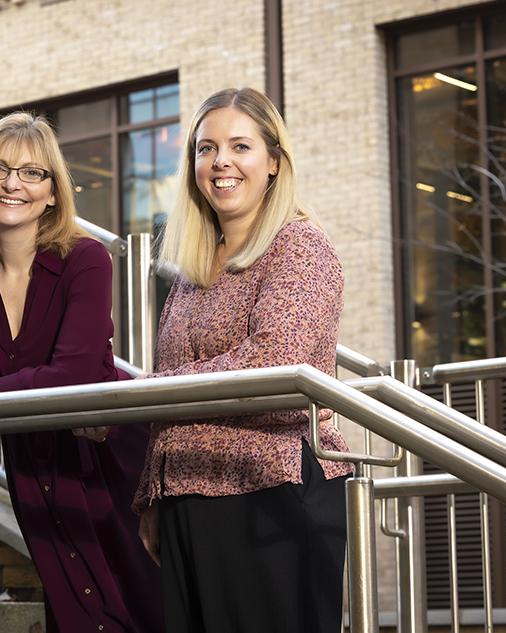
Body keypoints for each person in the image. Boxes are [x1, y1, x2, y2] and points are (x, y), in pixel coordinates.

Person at [0, 112, 162, 633]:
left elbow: (70, 377)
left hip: (109, 454)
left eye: (32, 173)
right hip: (32, 463)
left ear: (52, 192)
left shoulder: (86, 259)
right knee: (75, 615)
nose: (12, 184)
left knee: (147, 605)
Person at [132, 88, 353, 633]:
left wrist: (153, 388)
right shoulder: (192, 271)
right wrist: (153, 491)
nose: (220, 162)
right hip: (187, 493)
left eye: (240, 146)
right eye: (206, 149)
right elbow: (175, 394)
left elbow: (278, 361)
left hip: (270, 490)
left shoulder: (299, 246)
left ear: (274, 162)